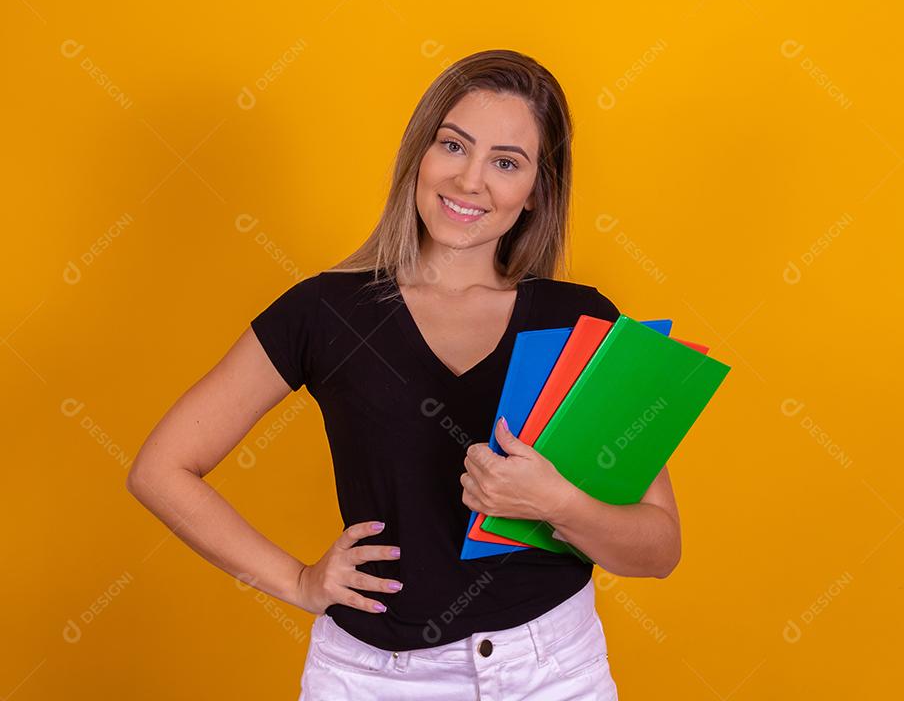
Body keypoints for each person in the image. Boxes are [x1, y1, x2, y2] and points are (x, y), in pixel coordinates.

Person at [126, 48, 681, 700]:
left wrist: (557, 504)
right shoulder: (323, 311)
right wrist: (298, 581)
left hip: (552, 667)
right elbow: (160, 470)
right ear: (420, 153)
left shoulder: (580, 322)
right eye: (454, 145)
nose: (471, 181)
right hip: (372, 678)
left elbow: (658, 547)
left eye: (506, 162)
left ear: (536, 193)